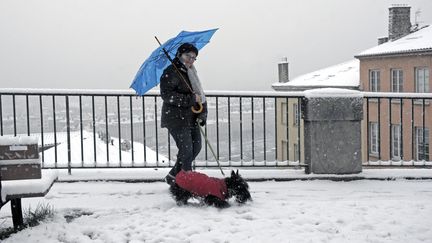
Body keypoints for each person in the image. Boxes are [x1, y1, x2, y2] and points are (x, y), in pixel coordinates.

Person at [160, 43, 207, 185]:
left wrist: (202, 114)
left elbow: (201, 96)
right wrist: (192, 99)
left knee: (196, 147)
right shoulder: (171, 71)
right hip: (176, 119)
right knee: (186, 151)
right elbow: (167, 95)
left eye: (194, 57)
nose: (191, 60)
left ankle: (173, 176)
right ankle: (185, 184)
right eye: (188, 56)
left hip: (191, 118)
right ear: (179, 55)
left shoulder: (191, 72)